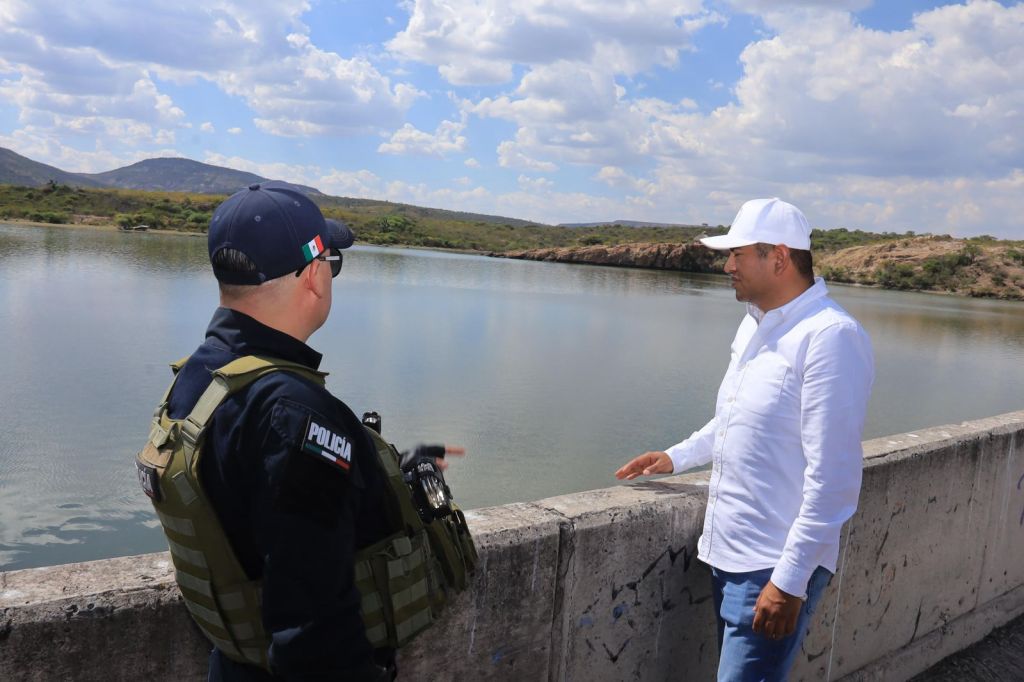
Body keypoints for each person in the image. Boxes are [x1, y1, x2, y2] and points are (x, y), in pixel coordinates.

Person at [136, 182, 464, 681]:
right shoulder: (293, 413)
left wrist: (388, 470)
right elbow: (312, 631)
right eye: (333, 262)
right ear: (313, 274)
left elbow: (254, 495)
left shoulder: (199, 379)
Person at [615, 198, 874, 681]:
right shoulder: (754, 323)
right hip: (727, 553)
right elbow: (737, 420)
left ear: (779, 257)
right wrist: (675, 457)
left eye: (737, 254)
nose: (727, 266)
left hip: (773, 566)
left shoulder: (830, 337)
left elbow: (835, 480)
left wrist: (789, 582)